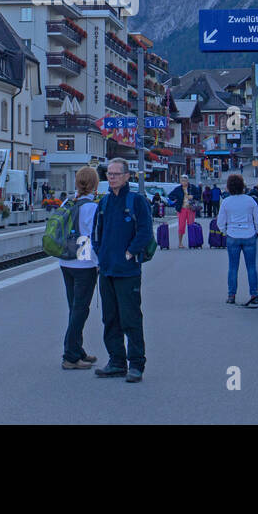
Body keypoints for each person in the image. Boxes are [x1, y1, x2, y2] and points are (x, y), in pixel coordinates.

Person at [91, 158, 152, 382]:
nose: (112, 177)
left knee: (131, 318)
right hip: (107, 270)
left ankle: (136, 364)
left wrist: (130, 252)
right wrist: (100, 253)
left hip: (128, 271)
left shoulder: (136, 201)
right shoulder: (104, 203)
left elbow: (145, 232)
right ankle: (116, 361)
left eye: (117, 174)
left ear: (127, 176)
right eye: (109, 173)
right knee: (110, 318)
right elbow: (96, 232)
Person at [61, 166, 101, 370]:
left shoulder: (68, 202)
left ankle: (78, 350)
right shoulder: (92, 208)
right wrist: (98, 263)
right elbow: (91, 237)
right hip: (83, 260)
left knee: (73, 307)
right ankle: (70, 355)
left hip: (65, 259)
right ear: (95, 184)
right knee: (80, 309)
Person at [217, 173, 258, 306]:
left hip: (233, 234)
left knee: (233, 267)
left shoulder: (226, 202)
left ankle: (231, 295)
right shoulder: (250, 200)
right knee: (251, 267)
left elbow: (220, 222)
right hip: (249, 234)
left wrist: (226, 232)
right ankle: (254, 294)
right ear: (242, 186)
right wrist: (254, 231)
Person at [177, 177, 198, 248]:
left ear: (188, 181)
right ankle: (180, 243)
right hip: (182, 209)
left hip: (190, 209)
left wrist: (193, 196)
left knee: (191, 225)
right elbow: (171, 196)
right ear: (180, 182)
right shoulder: (178, 189)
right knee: (181, 226)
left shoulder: (193, 187)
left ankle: (192, 242)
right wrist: (177, 200)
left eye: (185, 181)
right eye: (182, 181)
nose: (184, 182)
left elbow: (198, 196)